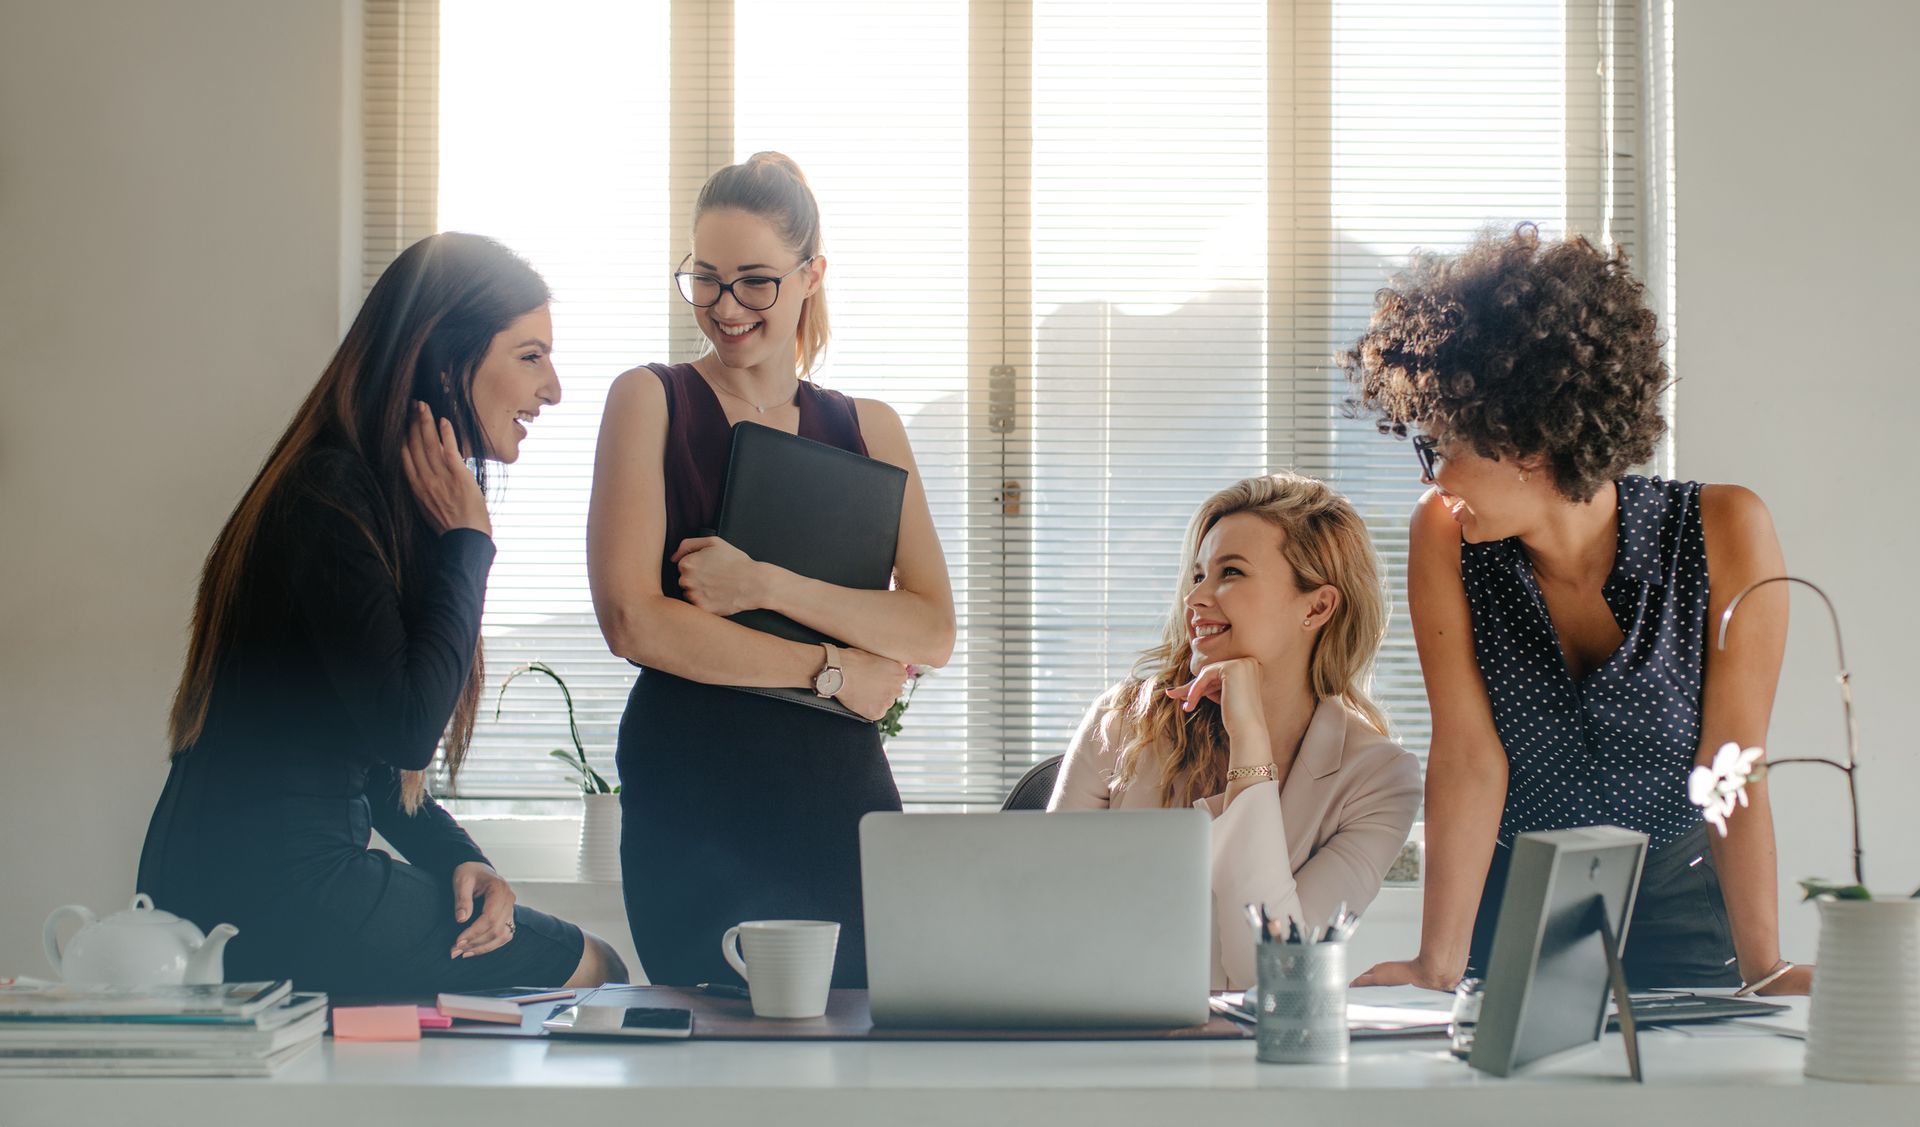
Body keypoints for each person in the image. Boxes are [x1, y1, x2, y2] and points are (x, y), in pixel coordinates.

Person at [139, 232, 627, 995]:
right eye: (530, 356)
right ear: (445, 357)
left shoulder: (349, 491)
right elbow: (404, 727)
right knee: (597, 966)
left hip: (238, 880)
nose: (555, 389)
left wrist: (464, 859)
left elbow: (369, 759)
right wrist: (469, 543)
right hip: (279, 892)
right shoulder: (330, 496)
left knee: (546, 966)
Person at [1343, 224, 1807, 994]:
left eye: (1441, 448)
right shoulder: (1446, 534)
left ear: (1523, 438)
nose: (1433, 478)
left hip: (1681, 907)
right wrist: (1436, 965)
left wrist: (1766, 967)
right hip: (1517, 904)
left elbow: (1731, 765)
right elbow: (1467, 756)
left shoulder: (1726, 529)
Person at [588, 153, 955, 988]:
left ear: (811, 274)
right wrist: (830, 671)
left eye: (755, 282)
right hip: (691, 786)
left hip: (837, 796)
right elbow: (634, 621)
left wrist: (761, 585)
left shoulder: (872, 427)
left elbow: (930, 628)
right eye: (706, 281)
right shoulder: (649, 399)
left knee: (856, 1049)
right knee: (709, 1051)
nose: (726, 308)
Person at [1048, 473, 1421, 990]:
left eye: (1231, 573)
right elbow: (1046, 915)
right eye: (1198, 574)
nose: (1195, 598)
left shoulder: (1381, 779)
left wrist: (1249, 740)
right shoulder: (1123, 719)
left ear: (1316, 606)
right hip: (1103, 1025)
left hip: (1251, 1058)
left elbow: (1276, 972)